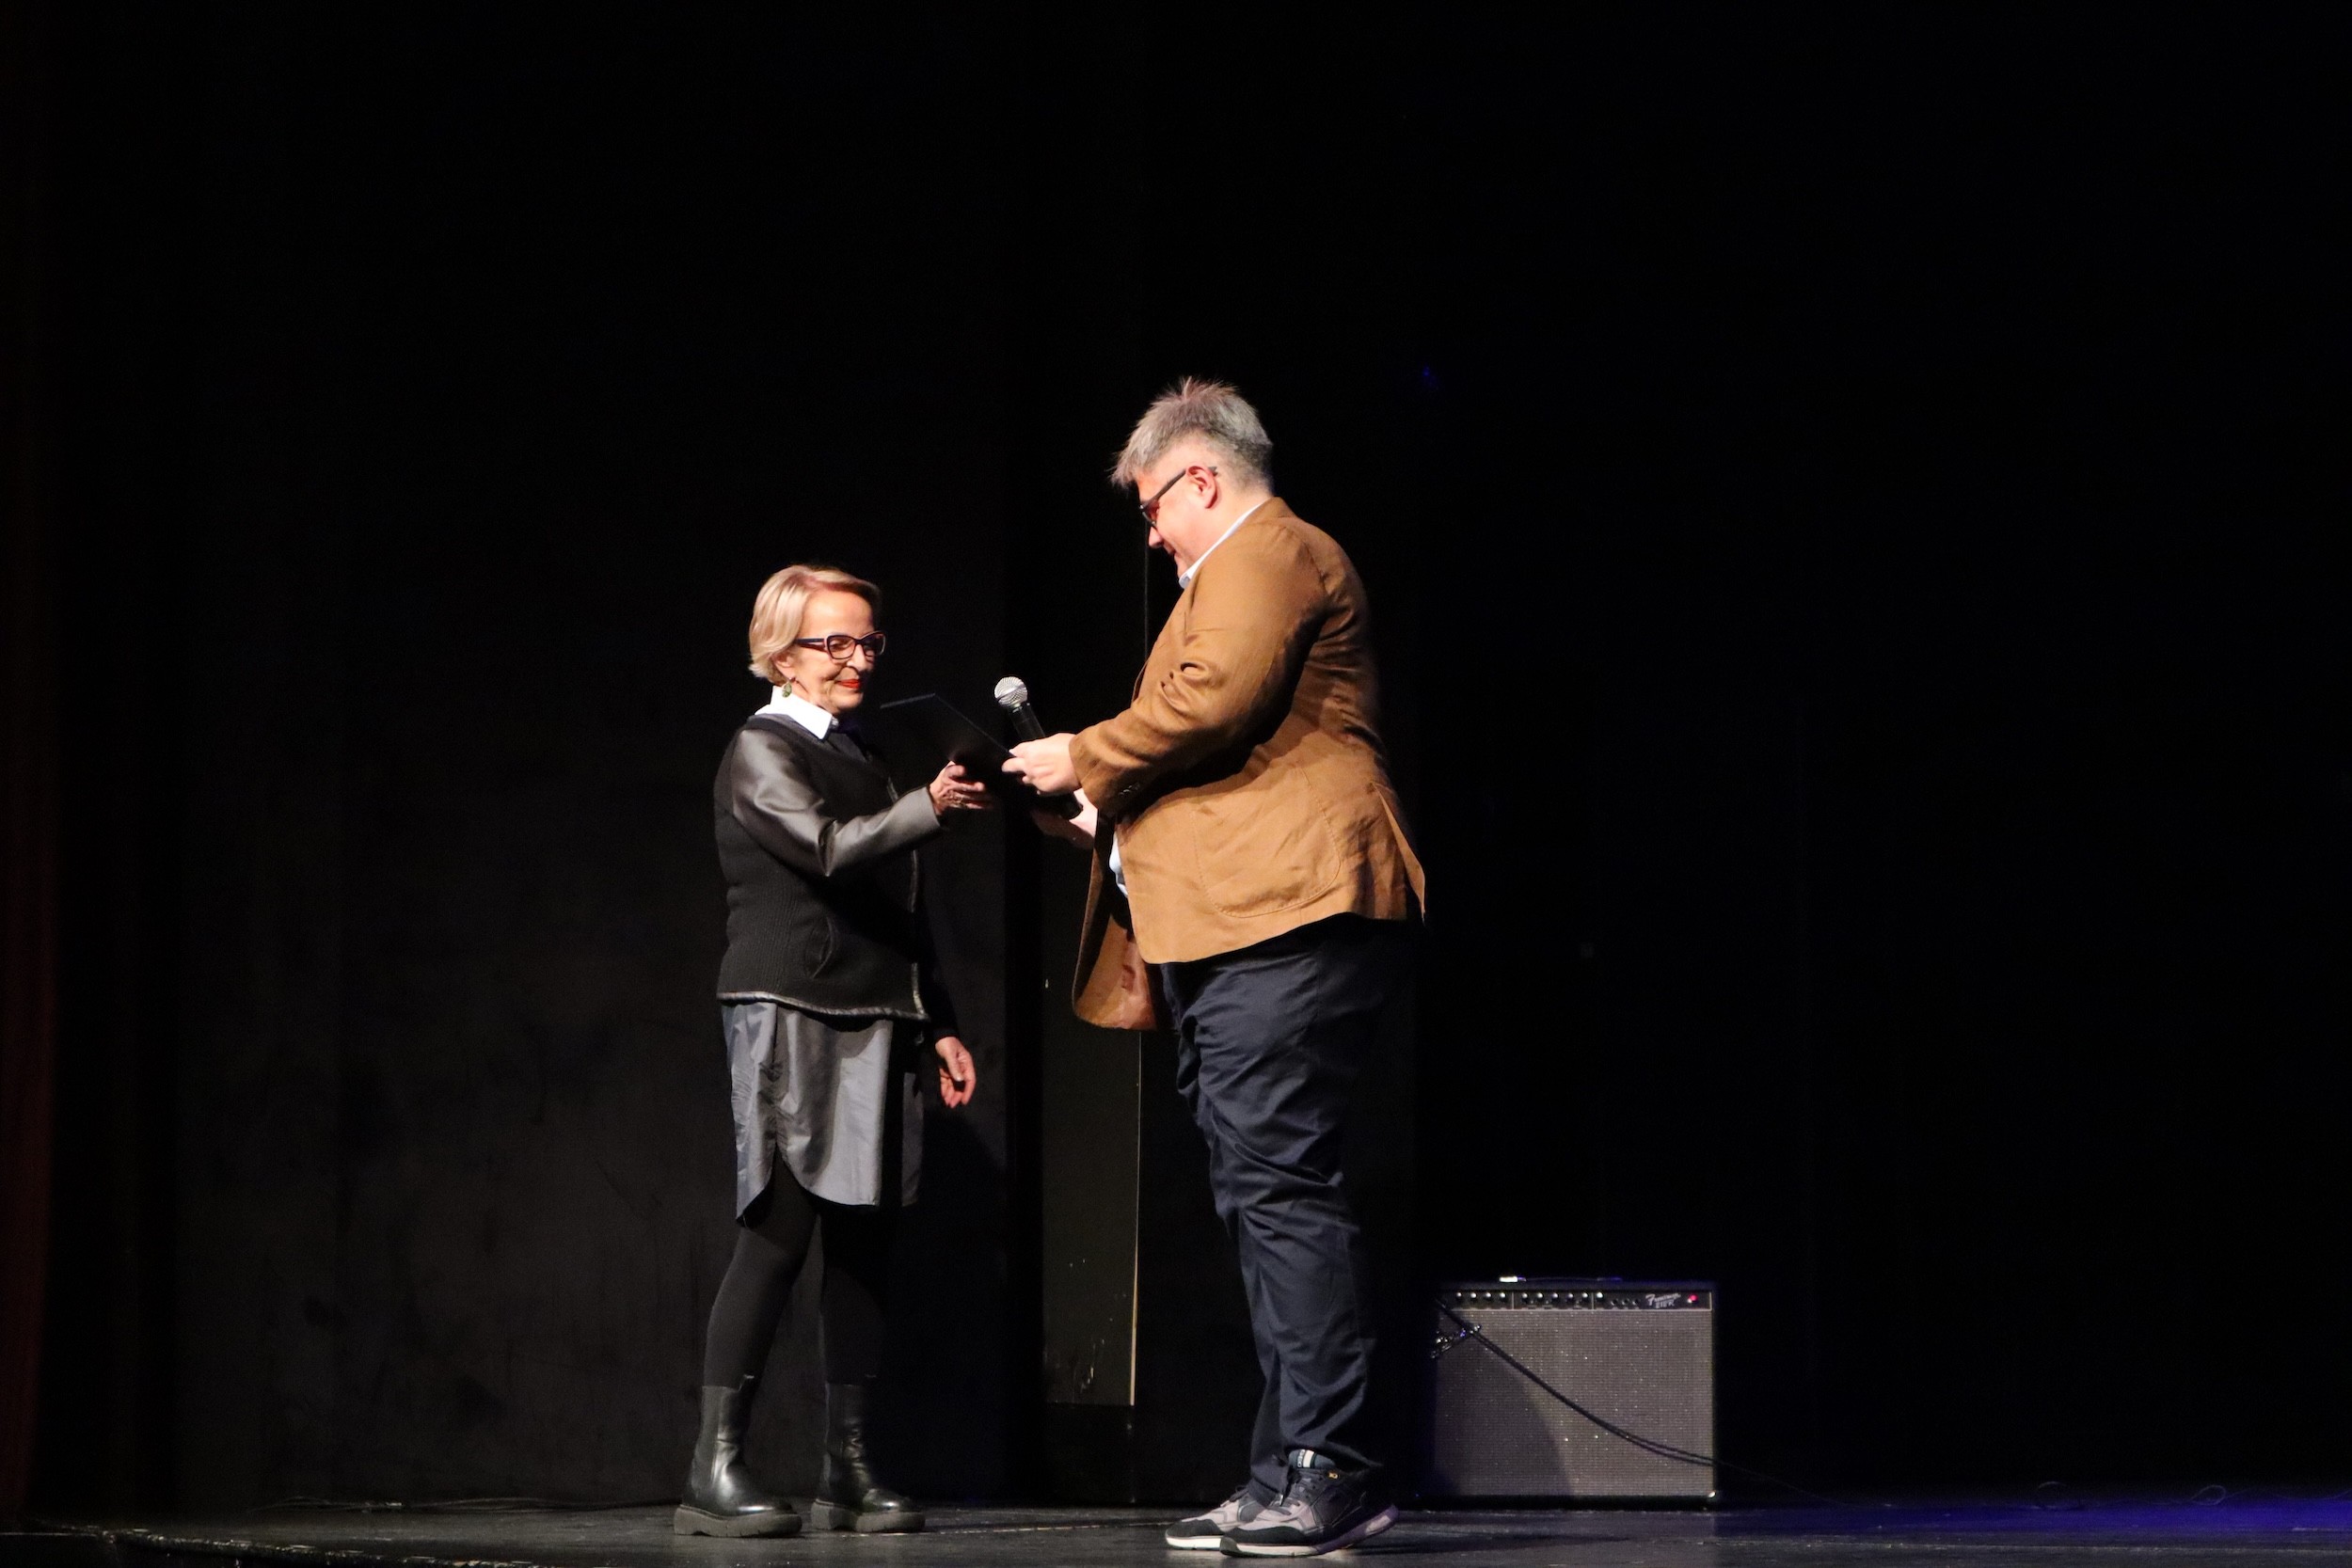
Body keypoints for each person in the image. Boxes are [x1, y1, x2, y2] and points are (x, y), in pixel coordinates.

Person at [1006, 380, 1425, 1557]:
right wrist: (1095, 813)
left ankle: (1331, 1466)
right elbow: (1215, 754)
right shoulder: (1233, 569)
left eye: (1151, 506)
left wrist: (1082, 752)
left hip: (1289, 911)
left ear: (1199, 477)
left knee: (1280, 1187)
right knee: (1260, 1190)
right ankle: (1287, 1463)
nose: (1150, 533)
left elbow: (1215, 698)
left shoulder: (1266, 548)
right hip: (1244, 917)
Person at [675, 563, 992, 1540]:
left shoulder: (864, 754)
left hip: (878, 1009)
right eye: (834, 642)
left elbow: (898, 906)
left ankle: (846, 1468)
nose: (857, 659)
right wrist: (928, 805)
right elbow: (825, 848)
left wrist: (938, 1019)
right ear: (782, 654)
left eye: (868, 642)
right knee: (780, 1228)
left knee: (865, 1240)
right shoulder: (762, 747)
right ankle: (713, 1465)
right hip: (790, 1002)